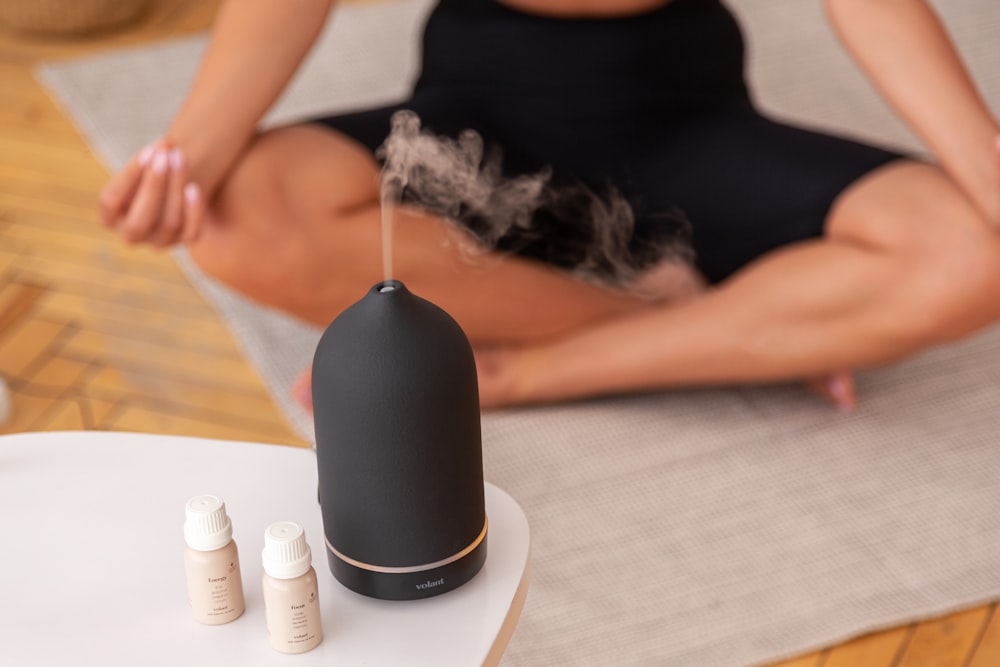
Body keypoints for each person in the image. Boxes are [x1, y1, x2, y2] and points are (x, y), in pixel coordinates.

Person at [99, 0, 1000, 412]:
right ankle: (702, 321)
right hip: (475, 125)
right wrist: (190, 156)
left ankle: (528, 372)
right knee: (235, 215)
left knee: (969, 254)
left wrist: (986, 163)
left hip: (690, 129)